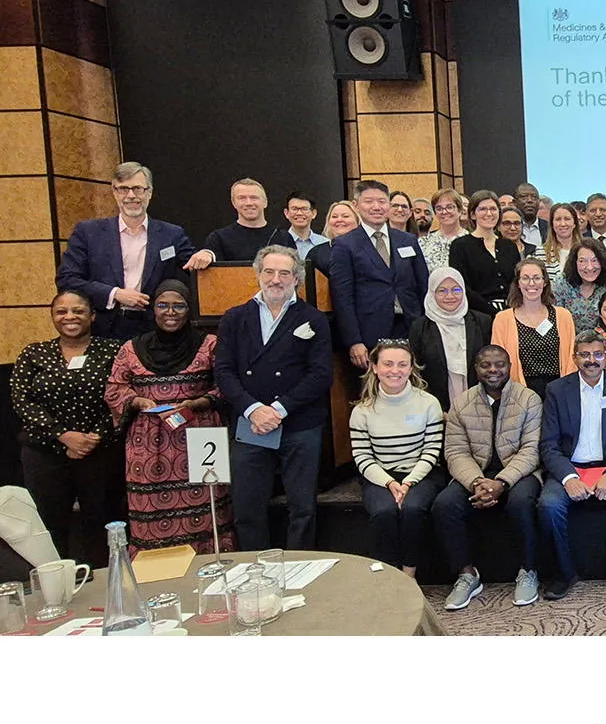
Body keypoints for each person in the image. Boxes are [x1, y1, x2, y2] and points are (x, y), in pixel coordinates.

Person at [214, 246, 333, 550]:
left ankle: (300, 567)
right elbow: (224, 372)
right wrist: (254, 410)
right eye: (269, 272)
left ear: (296, 278)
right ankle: (255, 569)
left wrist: (278, 409)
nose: (276, 279)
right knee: (247, 508)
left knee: (303, 509)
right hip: (250, 425)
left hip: (300, 425)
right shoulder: (234, 318)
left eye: (284, 273)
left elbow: (321, 375)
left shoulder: (314, 319)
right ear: (258, 275)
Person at [105, 280, 232, 554]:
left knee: (206, 507)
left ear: (190, 309)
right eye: (163, 305)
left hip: (198, 435)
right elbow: (115, 388)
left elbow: (227, 384)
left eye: (179, 306)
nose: (170, 312)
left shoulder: (210, 344)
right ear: (153, 309)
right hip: (148, 442)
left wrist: (199, 402)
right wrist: (137, 401)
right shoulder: (131, 348)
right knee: (150, 514)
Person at [11, 291, 124, 565]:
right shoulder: (34, 353)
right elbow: (21, 400)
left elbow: (121, 395)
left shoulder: (114, 350)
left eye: (78, 311)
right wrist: (63, 435)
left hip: (99, 451)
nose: (70, 317)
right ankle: (57, 583)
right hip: (45, 453)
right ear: (52, 317)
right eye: (61, 311)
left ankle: (104, 582)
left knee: (102, 524)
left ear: (92, 316)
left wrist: (94, 437)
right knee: (50, 526)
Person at [536, 330, 606, 598]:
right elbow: (548, 445)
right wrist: (568, 478)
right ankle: (564, 573)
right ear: (575, 357)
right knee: (548, 506)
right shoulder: (556, 390)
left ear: (605, 356)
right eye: (584, 355)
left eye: (597, 354)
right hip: (570, 465)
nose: (591, 360)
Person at [435, 345, 544, 609]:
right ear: (476, 369)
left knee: (521, 502)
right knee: (444, 504)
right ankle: (467, 574)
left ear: (510, 367)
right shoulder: (461, 403)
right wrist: (477, 483)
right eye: (485, 365)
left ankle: (528, 570)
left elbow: (531, 451)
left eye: (499, 364)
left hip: (519, 472)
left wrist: (502, 482)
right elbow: (455, 452)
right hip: (476, 474)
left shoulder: (529, 399)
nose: (493, 370)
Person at [56, 161, 206, 340]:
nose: (131, 195)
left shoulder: (171, 234)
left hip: (155, 331)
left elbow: (195, 266)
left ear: (149, 192)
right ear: (114, 192)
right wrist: (115, 294)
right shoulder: (88, 233)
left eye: (138, 189)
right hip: (103, 330)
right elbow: (67, 279)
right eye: (123, 189)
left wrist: (208, 254)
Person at [348, 341, 444, 576]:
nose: (395, 370)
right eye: (388, 364)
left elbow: (432, 450)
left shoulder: (428, 403)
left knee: (413, 509)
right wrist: (390, 483)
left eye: (402, 364)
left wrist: (408, 482)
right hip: (381, 475)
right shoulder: (362, 411)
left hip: (421, 473)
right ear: (374, 367)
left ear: (411, 368)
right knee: (384, 512)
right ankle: (389, 576)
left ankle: (409, 576)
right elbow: (362, 457)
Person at [331, 180, 429, 370]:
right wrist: (354, 341)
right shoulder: (345, 244)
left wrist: (426, 328)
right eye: (369, 201)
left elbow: (423, 285)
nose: (376, 207)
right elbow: (343, 297)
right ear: (356, 205)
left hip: (410, 327)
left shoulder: (407, 240)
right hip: (370, 333)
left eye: (382, 201)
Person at [490, 257, 577, 399]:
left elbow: (571, 359)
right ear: (518, 283)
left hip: (559, 391)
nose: (531, 283)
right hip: (519, 393)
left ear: (545, 282)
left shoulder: (563, 316)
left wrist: (565, 391)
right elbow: (498, 362)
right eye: (525, 278)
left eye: (537, 278)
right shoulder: (502, 319)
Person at [410, 266, 494, 413]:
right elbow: (416, 370)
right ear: (432, 293)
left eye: (456, 290)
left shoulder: (482, 322)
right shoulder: (420, 327)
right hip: (436, 407)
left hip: (479, 406)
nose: (450, 296)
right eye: (442, 291)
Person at [449, 190, 520, 315]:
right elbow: (462, 286)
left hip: (512, 312)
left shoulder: (509, 246)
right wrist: (493, 312)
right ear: (473, 215)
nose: (489, 213)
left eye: (493, 209)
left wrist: (509, 311)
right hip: (478, 315)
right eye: (483, 209)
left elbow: (517, 281)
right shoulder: (460, 246)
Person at [199, 178, 297, 262]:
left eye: (254, 198)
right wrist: (206, 254)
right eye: (242, 198)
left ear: (265, 202)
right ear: (234, 203)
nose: (249, 203)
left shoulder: (284, 238)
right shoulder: (218, 239)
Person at [552, 238, 606, 334]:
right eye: (582, 261)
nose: (589, 267)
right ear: (574, 263)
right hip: (569, 339)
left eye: (594, 260)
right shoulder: (561, 283)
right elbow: (555, 319)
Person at [419, 188, 468, 273]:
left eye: (450, 207)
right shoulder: (423, 243)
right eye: (439, 208)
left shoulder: (472, 242)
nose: (444, 212)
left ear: (460, 210)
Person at [309, 199, 360, 276]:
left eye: (345, 216)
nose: (339, 220)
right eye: (334, 217)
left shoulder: (369, 248)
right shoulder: (316, 253)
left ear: (357, 221)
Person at [535, 201, 581, 282]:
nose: (563, 224)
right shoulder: (541, 252)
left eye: (567, 219)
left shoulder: (585, 250)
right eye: (558, 219)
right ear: (552, 224)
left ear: (574, 223)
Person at [283, 191, 328, 262]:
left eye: (304, 209)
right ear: (286, 213)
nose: (299, 213)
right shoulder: (279, 242)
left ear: (314, 213)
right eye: (294, 209)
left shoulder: (324, 243)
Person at [515, 182, 548, 247]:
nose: (530, 200)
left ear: (539, 202)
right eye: (524, 197)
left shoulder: (549, 228)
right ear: (515, 202)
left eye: (534, 197)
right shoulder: (509, 228)